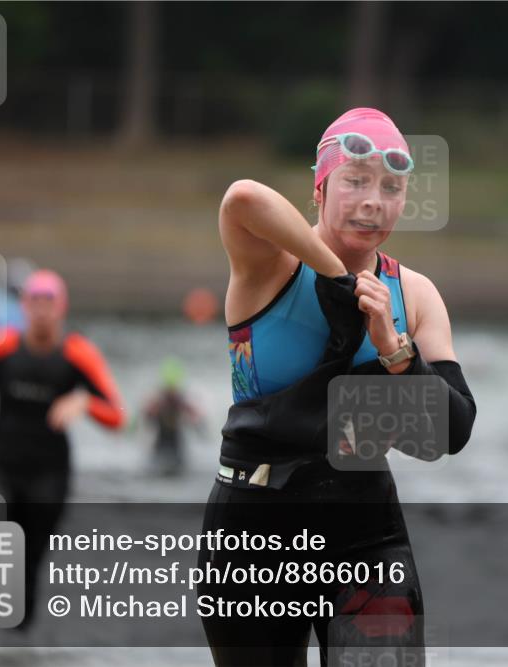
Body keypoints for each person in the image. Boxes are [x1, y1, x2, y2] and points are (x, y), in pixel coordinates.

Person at [199, 108, 477, 665]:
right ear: (319, 189)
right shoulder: (270, 266)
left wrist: (394, 347)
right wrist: (337, 279)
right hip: (253, 530)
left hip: (365, 533)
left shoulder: (414, 294)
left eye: (391, 188)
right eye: (355, 181)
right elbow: (242, 198)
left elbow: (450, 432)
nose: (374, 201)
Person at [0, 269, 125, 629]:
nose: (42, 310)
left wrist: (84, 402)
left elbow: (117, 415)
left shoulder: (78, 353)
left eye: (49, 303)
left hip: (49, 472)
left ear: (62, 308)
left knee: (30, 561)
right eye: (35, 302)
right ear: (24, 307)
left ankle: (18, 640)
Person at [142, 357, 205, 476]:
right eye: (169, 389)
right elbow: (145, 418)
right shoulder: (157, 402)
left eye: (174, 389)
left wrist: (196, 422)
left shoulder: (182, 402)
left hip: (177, 446)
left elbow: (199, 423)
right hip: (160, 445)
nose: (171, 393)